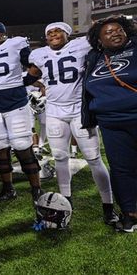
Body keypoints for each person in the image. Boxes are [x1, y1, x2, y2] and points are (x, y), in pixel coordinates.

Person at [26, 21, 116, 225]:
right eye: (49, 32)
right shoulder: (38, 54)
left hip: (79, 110)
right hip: (55, 111)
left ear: (68, 34)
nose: (53, 34)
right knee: (59, 157)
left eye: (58, 30)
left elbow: (101, 38)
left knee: (94, 158)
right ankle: (65, 200)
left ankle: (108, 205)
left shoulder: (82, 44)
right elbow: (31, 76)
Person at [83, 15, 137, 232]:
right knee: (121, 169)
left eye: (119, 30)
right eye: (108, 32)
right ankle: (130, 213)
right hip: (111, 123)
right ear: (99, 39)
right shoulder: (94, 57)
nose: (115, 33)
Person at [0, 22, 43, 203]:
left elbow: (34, 64)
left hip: (15, 103)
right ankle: (8, 188)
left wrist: (27, 80)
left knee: (23, 146)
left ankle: (36, 189)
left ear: (2, 35)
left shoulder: (15, 44)